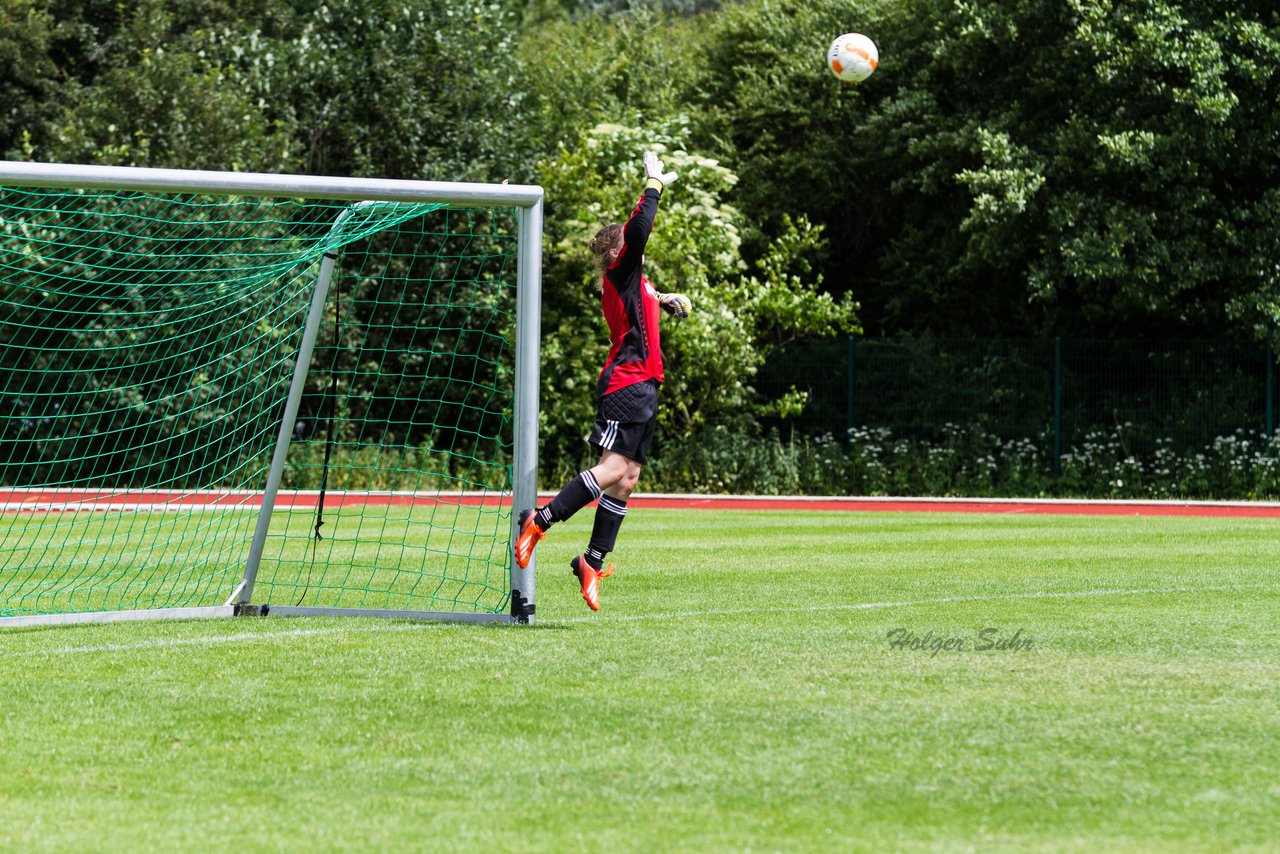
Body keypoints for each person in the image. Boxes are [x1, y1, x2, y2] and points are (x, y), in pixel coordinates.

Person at [514, 150, 692, 611]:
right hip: (627, 384)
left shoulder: (638, 280)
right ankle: (540, 520)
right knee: (614, 469)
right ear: (617, 252)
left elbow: (642, 304)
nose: (640, 247)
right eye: (631, 246)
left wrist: (666, 301)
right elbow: (637, 232)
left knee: (627, 479)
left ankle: (591, 562)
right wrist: (652, 186)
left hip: (645, 385)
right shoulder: (622, 267)